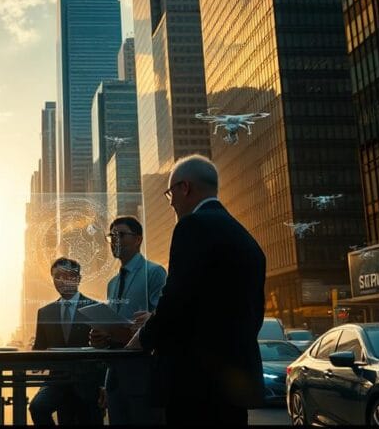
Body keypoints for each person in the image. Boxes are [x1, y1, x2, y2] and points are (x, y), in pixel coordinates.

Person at [127, 154, 266, 424]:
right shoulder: (245, 236)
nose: (172, 204)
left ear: (184, 188)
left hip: (195, 383)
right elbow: (251, 312)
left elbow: (176, 299)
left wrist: (143, 336)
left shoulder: (191, 226)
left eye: (170, 194)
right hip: (234, 383)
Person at [88, 216, 166, 425]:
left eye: (121, 235)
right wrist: (100, 336)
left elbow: (164, 319)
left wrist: (149, 320)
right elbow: (113, 325)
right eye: (111, 236)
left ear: (138, 239)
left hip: (143, 372)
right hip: (115, 375)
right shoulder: (113, 283)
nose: (115, 240)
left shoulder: (155, 273)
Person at [30, 257, 103, 426]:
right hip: (57, 381)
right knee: (37, 407)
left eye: (68, 275)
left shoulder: (96, 308)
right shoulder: (45, 312)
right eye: (57, 276)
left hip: (88, 381)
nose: (62, 280)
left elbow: (105, 349)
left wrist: (103, 384)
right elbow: (39, 347)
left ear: (78, 278)